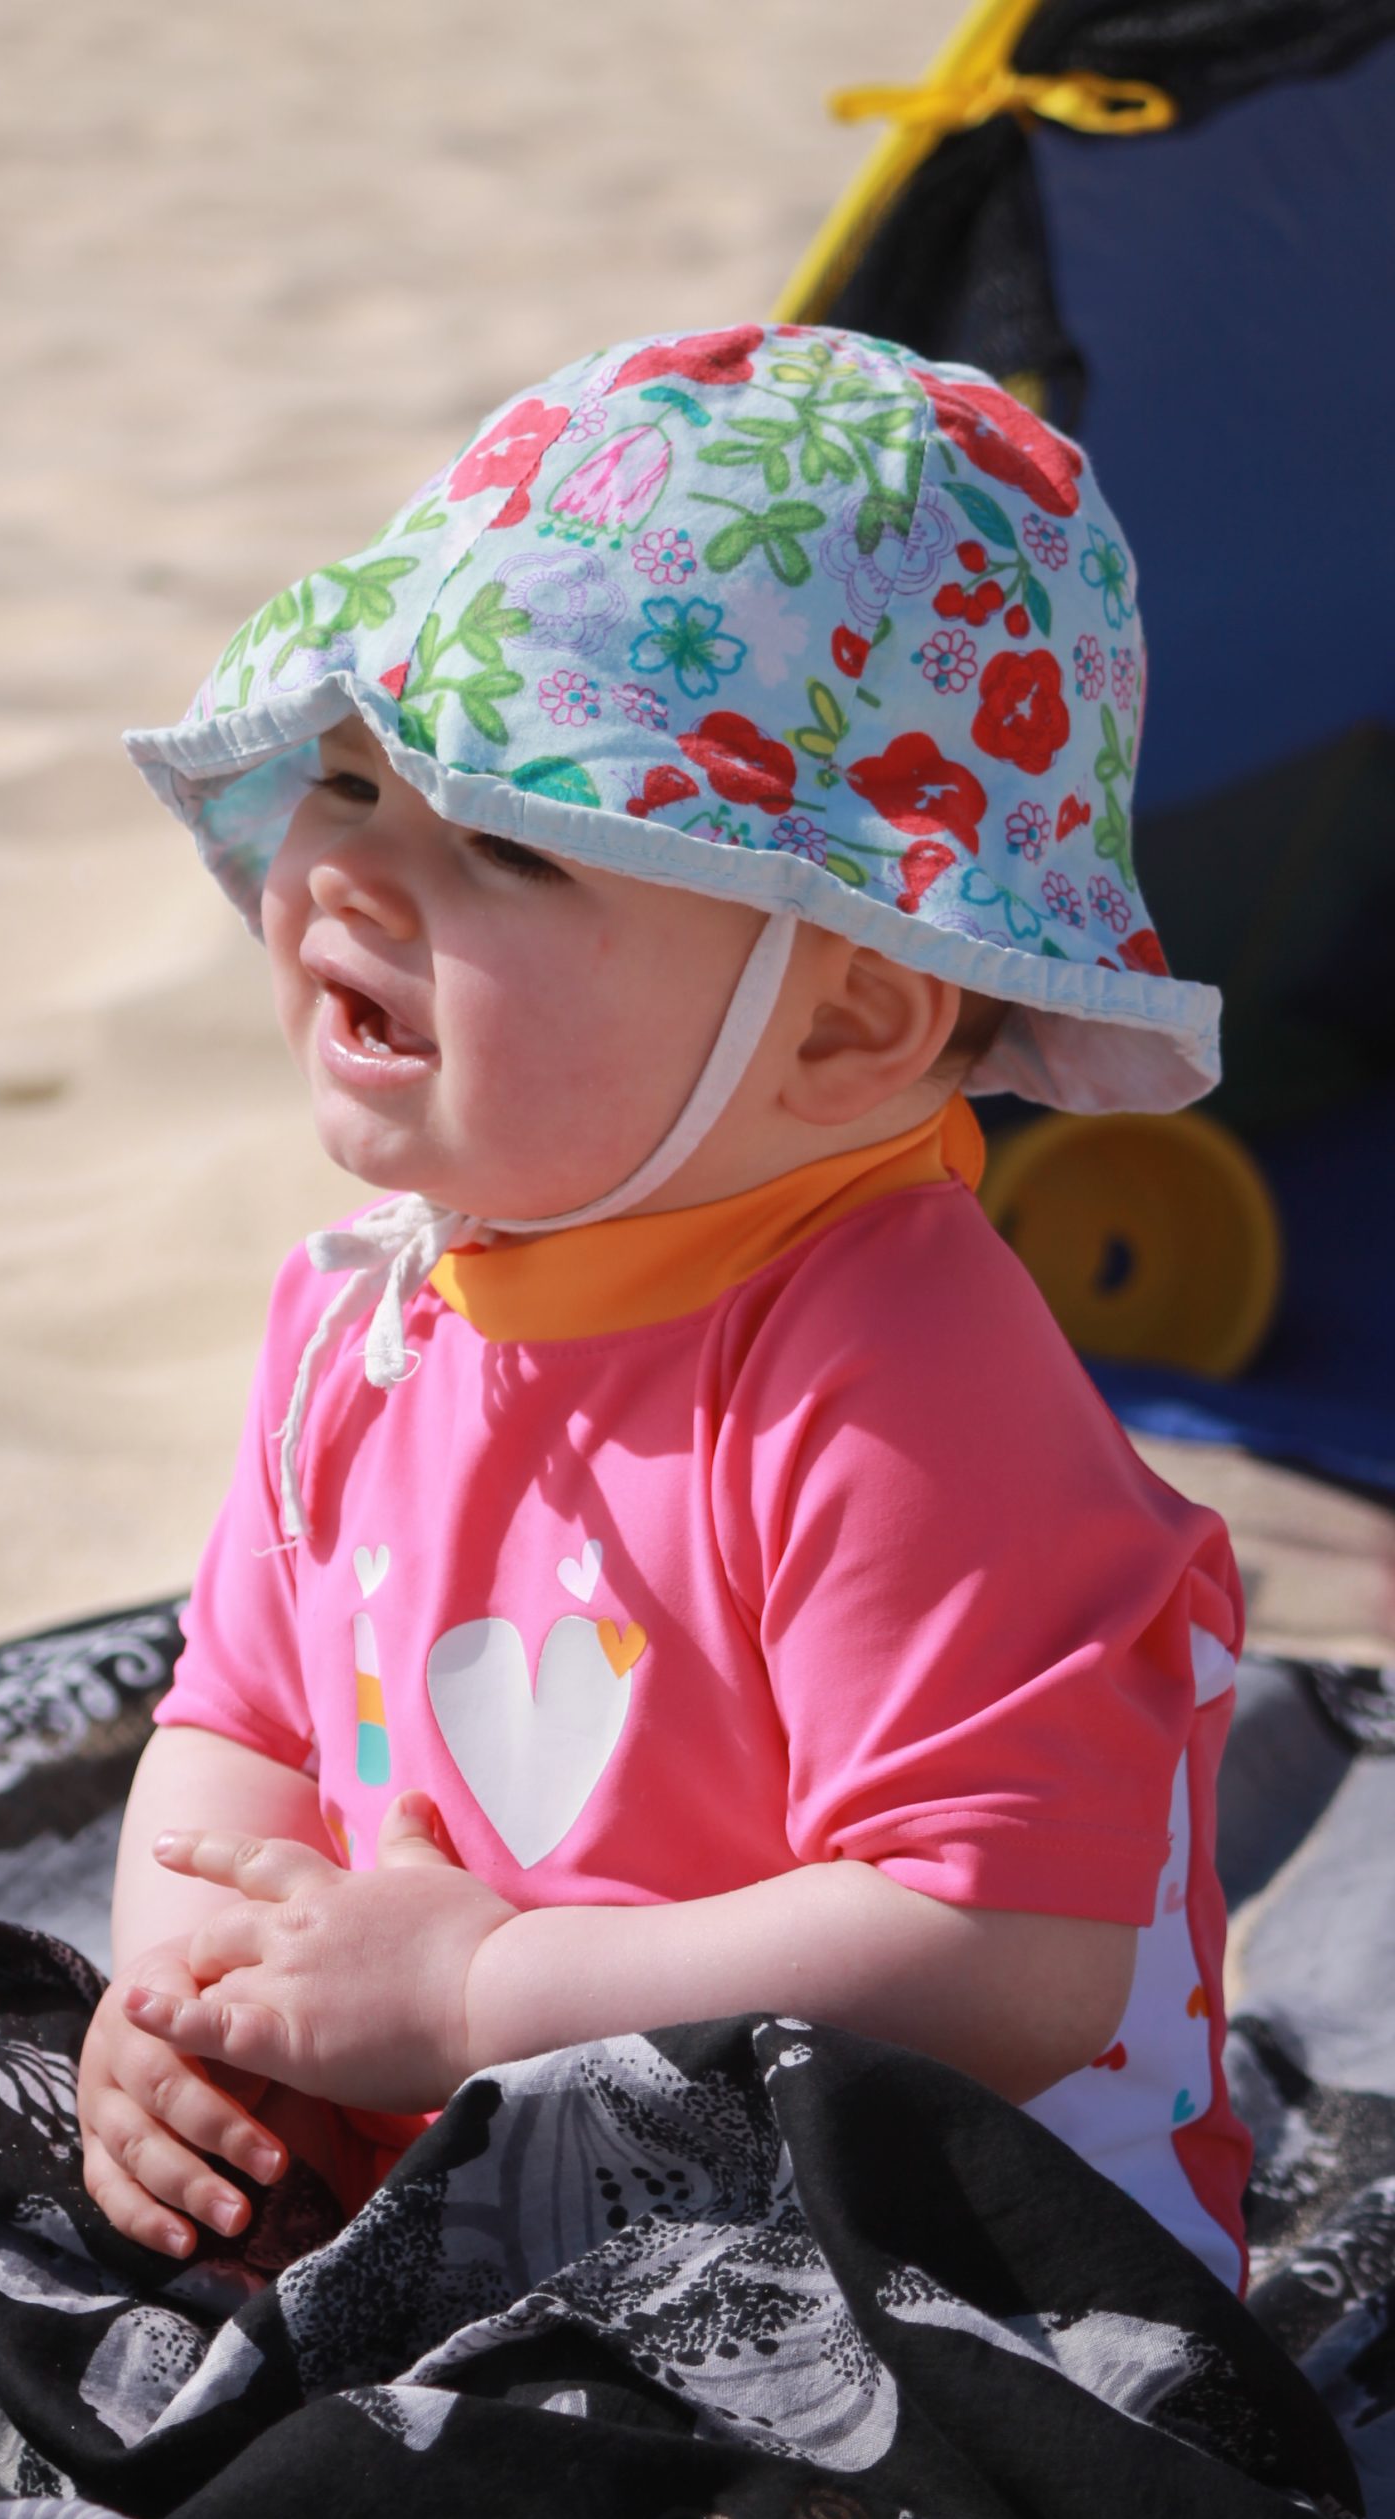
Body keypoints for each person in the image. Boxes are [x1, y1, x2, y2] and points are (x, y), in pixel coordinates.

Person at [80, 323, 1249, 2296]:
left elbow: (1009, 1955)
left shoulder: (897, 1380)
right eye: (348, 777)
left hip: (910, 2261)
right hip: (493, 2193)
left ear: (850, 1018)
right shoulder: (359, 1313)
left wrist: (484, 1994)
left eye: (507, 839)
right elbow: (244, 1719)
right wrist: (198, 1993)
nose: (354, 873)